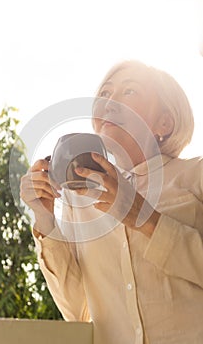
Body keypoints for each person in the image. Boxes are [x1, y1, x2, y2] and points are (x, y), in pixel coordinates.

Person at [20, 60, 203, 344]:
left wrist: (143, 217)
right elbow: (77, 310)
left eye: (129, 91)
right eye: (104, 94)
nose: (109, 103)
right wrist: (45, 219)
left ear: (164, 122)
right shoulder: (78, 201)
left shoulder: (195, 175)